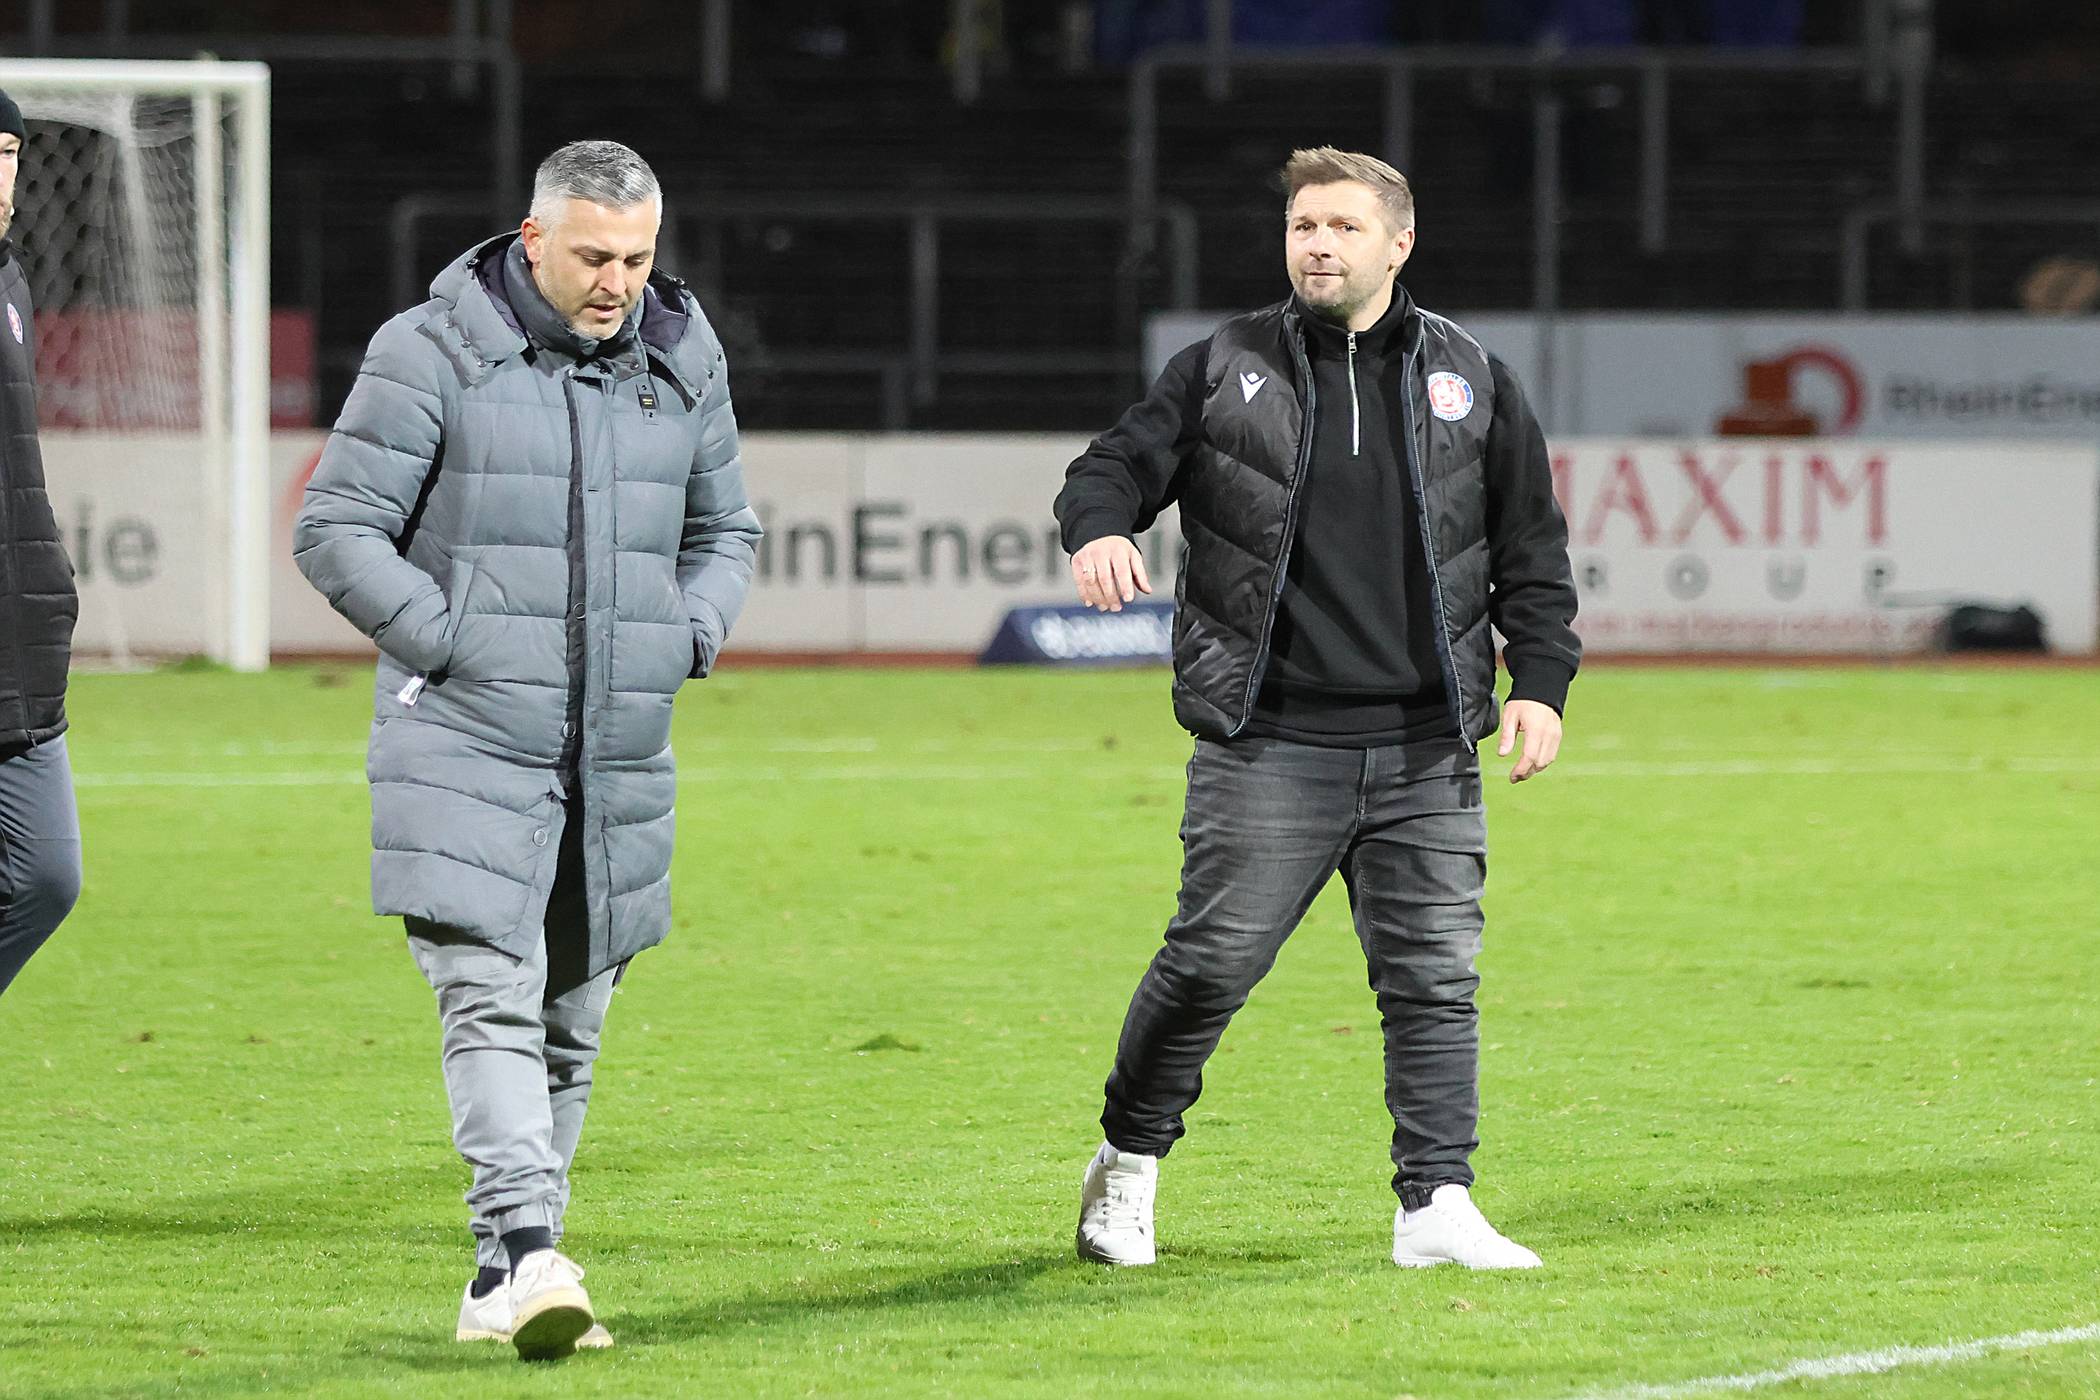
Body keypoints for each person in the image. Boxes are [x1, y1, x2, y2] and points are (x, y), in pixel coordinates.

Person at [1055, 146, 1579, 1271]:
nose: (1319, 244)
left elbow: (1533, 549)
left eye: (1343, 225)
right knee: (1207, 968)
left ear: (1399, 242)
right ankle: (1128, 1162)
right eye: (1303, 226)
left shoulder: (1474, 378)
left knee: (1434, 982)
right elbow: (1110, 467)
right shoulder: (1222, 366)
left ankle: (1435, 1200)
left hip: (1424, 744)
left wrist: (1539, 680)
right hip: (1271, 740)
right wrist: (1100, 525)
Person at [294, 140, 761, 1358]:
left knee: (569, 1014)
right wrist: (447, 642)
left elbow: (728, 528)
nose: (619, 283)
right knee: (488, 994)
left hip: (617, 743)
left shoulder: (680, 353)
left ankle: (500, 1273)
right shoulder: (428, 349)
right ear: (533, 237)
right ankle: (523, 1247)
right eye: (596, 257)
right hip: (461, 734)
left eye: (640, 258)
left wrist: (687, 632)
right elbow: (338, 527)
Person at [0, 88, 83, 1000]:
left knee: (48, 879)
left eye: (9, 150)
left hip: (22, 651)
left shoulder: (10, 281)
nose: (0, 173)